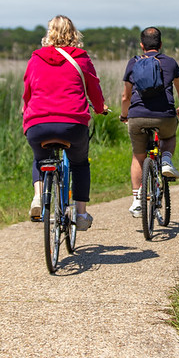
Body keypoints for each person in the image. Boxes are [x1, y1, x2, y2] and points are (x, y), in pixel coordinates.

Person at [23, 15, 107, 231]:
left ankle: (38, 198)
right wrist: (100, 108)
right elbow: (94, 90)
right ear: (73, 34)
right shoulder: (81, 58)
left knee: (40, 159)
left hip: (38, 123)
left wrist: (27, 111)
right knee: (79, 164)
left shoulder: (36, 58)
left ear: (49, 32)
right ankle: (80, 214)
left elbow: (27, 91)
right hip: (72, 123)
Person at [120, 26, 179, 217]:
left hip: (137, 117)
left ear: (142, 45)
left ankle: (136, 200)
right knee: (170, 135)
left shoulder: (133, 63)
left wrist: (124, 115)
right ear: (160, 44)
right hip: (165, 115)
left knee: (138, 156)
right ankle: (166, 159)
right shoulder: (170, 62)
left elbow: (126, 96)